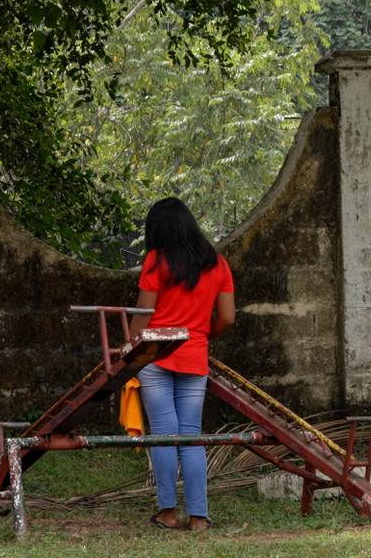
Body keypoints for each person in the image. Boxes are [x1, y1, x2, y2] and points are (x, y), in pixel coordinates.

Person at [127, 197, 236, 530]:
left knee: (163, 434)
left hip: (154, 356)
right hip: (195, 357)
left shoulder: (156, 261)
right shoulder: (217, 264)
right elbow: (228, 318)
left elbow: (144, 316)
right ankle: (199, 517)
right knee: (191, 436)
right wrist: (203, 335)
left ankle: (169, 512)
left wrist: (128, 349)